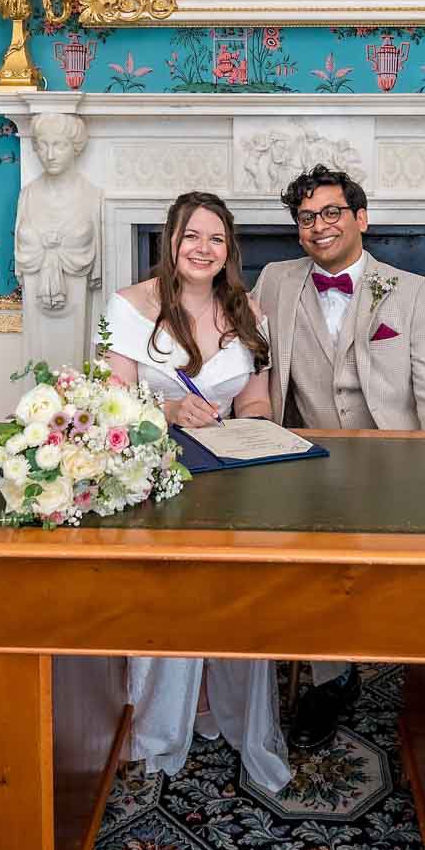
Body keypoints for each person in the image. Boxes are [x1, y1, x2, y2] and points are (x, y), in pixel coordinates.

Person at [254, 164, 425, 750]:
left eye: (330, 213)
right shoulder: (273, 279)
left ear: (360, 219)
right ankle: (331, 676)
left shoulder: (416, 292)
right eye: (305, 218)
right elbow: (225, 334)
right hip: (306, 461)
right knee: (308, 558)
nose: (317, 226)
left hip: (395, 462)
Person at [103, 191, 290, 792]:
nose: (203, 249)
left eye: (216, 238)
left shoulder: (250, 313)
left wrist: (257, 430)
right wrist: (170, 408)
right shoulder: (131, 307)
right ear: (171, 242)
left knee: (235, 592)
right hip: (158, 474)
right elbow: (112, 404)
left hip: (234, 472)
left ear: (229, 248)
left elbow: (256, 398)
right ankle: (161, 720)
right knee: (172, 591)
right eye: (191, 236)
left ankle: (226, 704)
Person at [14, 112, 101, 372]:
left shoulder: (92, 197)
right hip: (36, 300)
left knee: (74, 370)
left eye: (59, 145)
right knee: (39, 370)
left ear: (76, 147)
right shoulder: (27, 195)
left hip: (79, 303)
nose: (49, 155)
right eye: (43, 145)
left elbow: (99, 272)